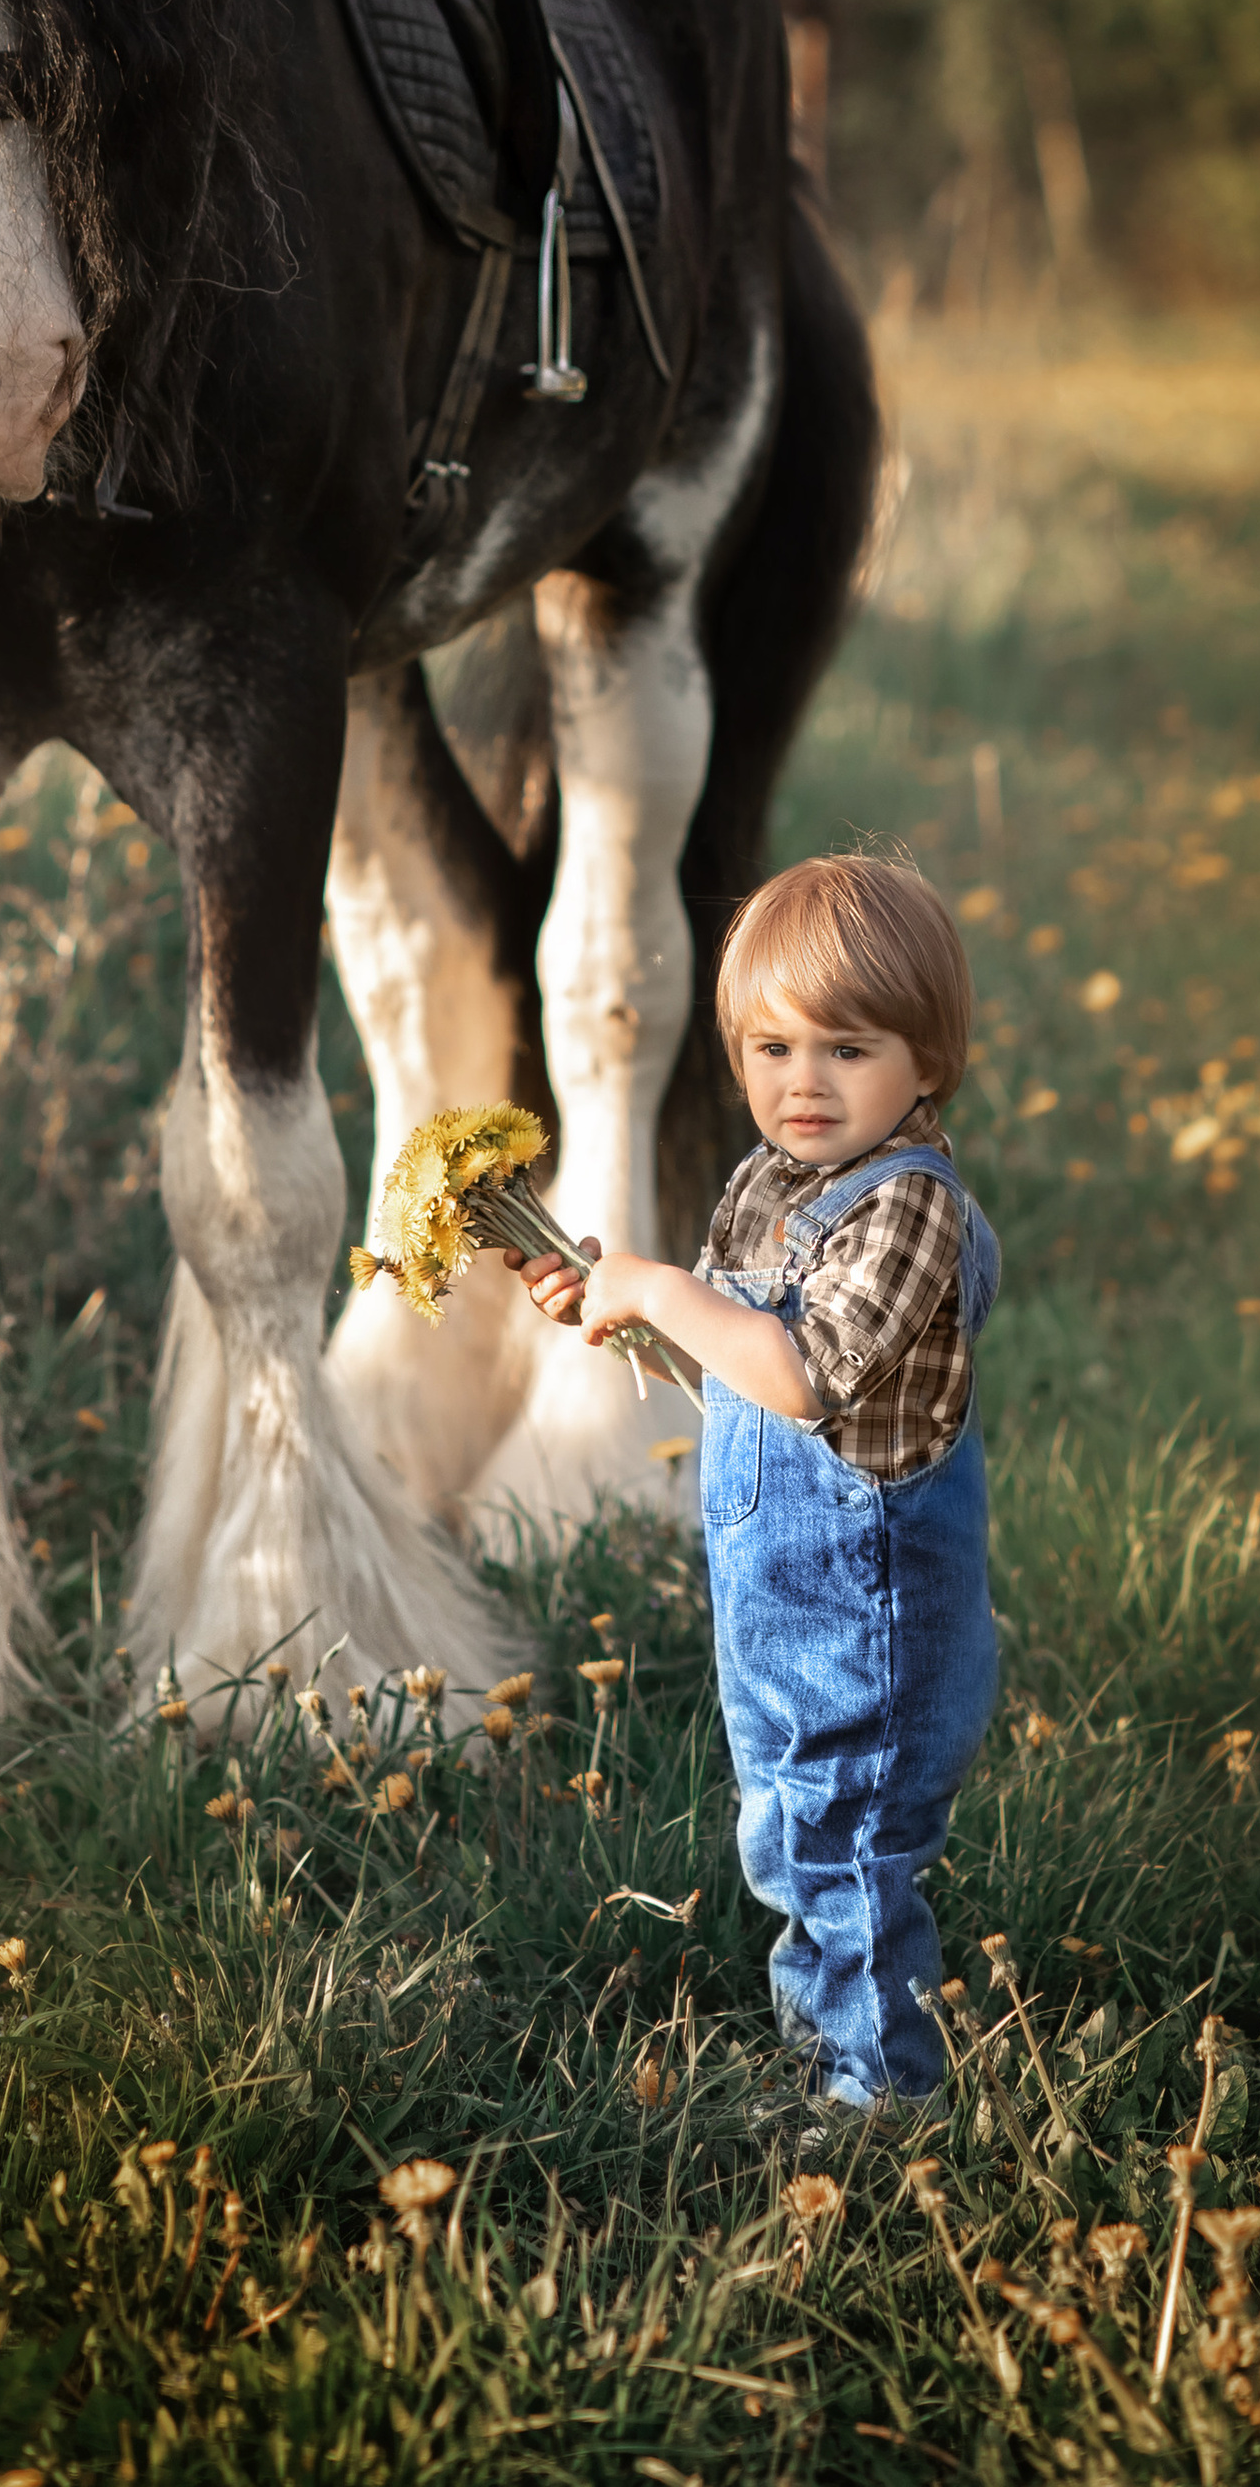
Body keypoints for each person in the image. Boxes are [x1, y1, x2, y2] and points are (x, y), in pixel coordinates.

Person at [514, 852, 1001, 2123]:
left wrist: (668, 1290)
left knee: (845, 1851)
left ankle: (879, 2110)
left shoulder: (908, 1209)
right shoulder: (764, 1187)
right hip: (779, 1598)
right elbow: (727, 1366)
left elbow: (801, 1377)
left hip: (868, 1611)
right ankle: (825, 2064)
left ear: (926, 1063)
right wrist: (624, 1311)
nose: (801, 1083)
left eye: (847, 1049)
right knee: (789, 1838)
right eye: (770, 1048)